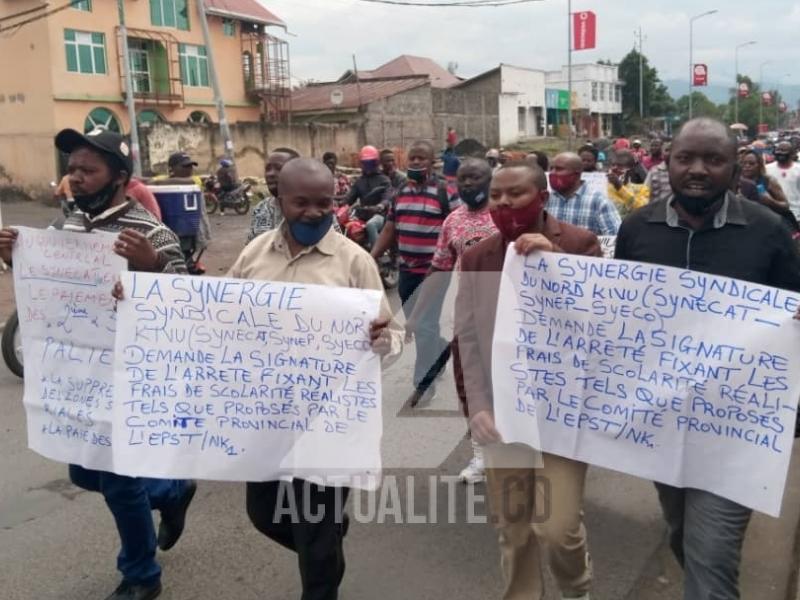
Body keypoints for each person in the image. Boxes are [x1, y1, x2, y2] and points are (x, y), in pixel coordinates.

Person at [0, 128, 196, 600]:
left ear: (121, 178)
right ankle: (172, 492)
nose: (78, 178)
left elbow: (186, 296)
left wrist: (150, 267)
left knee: (118, 479)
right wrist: (14, 258)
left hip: (129, 376)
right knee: (84, 473)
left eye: (89, 170)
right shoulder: (62, 227)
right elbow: (41, 284)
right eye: (73, 169)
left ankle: (141, 575)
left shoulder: (147, 230)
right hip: (77, 377)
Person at [616, 118, 800, 600]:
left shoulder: (768, 230)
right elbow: (618, 316)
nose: (697, 170)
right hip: (663, 424)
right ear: (668, 161)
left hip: (736, 431)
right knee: (681, 532)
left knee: (713, 554)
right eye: (685, 158)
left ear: (734, 165)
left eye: (713, 159)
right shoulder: (637, 230)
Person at [227, 158, 399, 600]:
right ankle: (325, 539)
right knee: (264, 514)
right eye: (301, 202)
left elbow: (393, 337)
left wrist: (382, 339)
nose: (313, 212)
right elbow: (221, 312)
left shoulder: (354, 261)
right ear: (280, 200)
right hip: (267, 417)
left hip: (329, 421)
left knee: (316, 534)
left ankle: (321, 568)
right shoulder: (254, 254)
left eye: (324, 202)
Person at [454, 161, 600, 600]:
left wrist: (559, 265)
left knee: (557, 528)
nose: (502, 202)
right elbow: (467, 340)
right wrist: (476, 406)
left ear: (542, 198)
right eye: (496, 194)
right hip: (504, 418)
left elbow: (603, 322)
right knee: (513, 528)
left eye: (514, 193)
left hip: (562, 417)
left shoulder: (579, 244)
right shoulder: (477, 257)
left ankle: (577, 589)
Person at [405, 159, 497, 482]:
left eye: (476, 178)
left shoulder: (506, 215)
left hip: (508, 318)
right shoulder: (453, 222)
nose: (469, 185)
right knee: (471, 387)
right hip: (468, 319)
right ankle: (481, 458)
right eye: (463, 180)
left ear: (490, 180)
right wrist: (415, 314)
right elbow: (440, 267)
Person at [371, 140, 461, 407]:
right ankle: (442, 348)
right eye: (413, 158)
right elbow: (389, 228)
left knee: (423, 324)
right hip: (407, 270)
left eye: (422, 158)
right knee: (418, 323)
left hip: (435, 271)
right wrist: (370, 257)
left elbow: (456, 226)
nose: (417, 162)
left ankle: (424, 384)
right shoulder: (399, 192)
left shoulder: (445, 191)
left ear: (432, 162)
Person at [547, 152, 621, 236]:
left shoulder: (599, 202)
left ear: (576, 173)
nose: (553, 173)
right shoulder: (546, 199)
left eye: (559, 169)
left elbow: (614, 237)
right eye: (551, 168)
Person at [344, 146, 394, 248]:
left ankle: (376, 255)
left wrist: (380, 206)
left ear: (376, 163)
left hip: (379, 215)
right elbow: (349, 198)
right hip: (362, 215)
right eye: (365, 163)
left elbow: (387, 197)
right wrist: (338, 202)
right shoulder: (359, 181)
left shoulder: (384, 180)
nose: (368, 166)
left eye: (370, 163)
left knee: (371, 225)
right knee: (346, 226)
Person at [248, 147, 300, 243]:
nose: (270, 174)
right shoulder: (260, 209)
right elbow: (250, 248)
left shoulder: (313, 208)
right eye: (267, 169)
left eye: (279, 168)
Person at [607, 150, 650, 216]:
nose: (614, 169)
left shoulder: (642, 189)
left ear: (631, 170)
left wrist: (620, 188)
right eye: (613, 165)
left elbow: (642, 209)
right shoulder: (603, 187)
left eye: (620, 166)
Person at [766, 140, 800, 220]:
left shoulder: (798, 169)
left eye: (784, 150)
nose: (780, 152)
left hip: (796, 213)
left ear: (791, 154)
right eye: (778, 150)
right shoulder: (766, 169)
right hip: (773, 213)